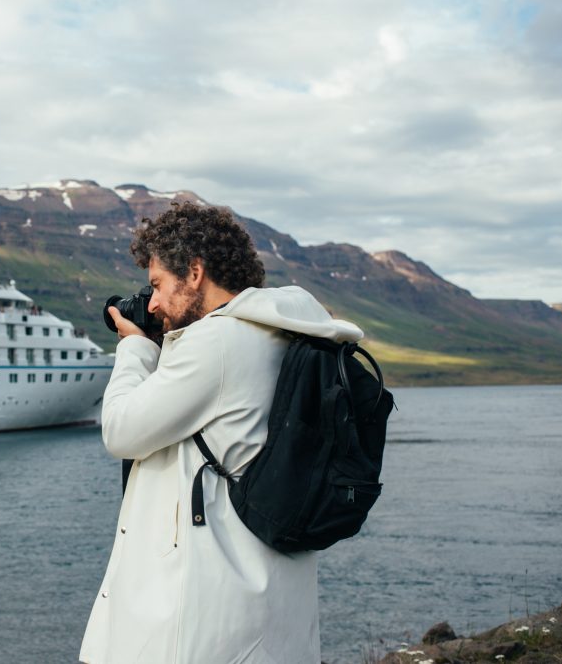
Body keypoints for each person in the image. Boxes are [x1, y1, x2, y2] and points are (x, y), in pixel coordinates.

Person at [79, 202, 364, 664]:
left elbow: (121, 431)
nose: (151, 304)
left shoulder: (218, 343)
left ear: (194, 272)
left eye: (156, 285)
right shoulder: (291, 334)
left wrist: (134, 348)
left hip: (207, 624)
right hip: (271, 600)